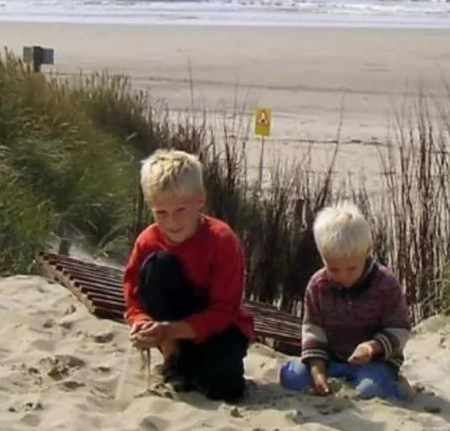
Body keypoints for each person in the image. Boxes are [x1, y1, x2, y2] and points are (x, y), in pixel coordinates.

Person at [121, 149, 254, 402]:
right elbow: (133, 298)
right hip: (171, 320)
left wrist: (171, 329)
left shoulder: (222, 240)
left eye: (181, 209)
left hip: (220, 327)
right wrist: (141, 323)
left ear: (200, 201)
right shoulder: (148, 240)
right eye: (161, 212)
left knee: (225, 389)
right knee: (157, 265)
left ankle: (189, 362)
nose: (172, 222)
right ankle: (173, 355)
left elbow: (224, 311)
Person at [279, 201, 413, 401]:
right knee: (292, 377)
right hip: (332, 360)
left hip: (374, 362)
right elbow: (313, 330)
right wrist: (318, 372)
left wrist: (371, 347)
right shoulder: (317, 285)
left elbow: (400, 329)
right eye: (334, 269)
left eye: (351, 268)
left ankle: (399, 386)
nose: (344, 277)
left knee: (369, 390)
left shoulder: (385, 284)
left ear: (367, 252)